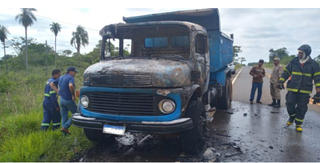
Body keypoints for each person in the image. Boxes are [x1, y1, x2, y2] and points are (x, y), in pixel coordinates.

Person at [278, 44, 320, 132]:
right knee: (289, 103)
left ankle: (298, 124)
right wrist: (281, 81)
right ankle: (292, 117)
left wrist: (318, 89)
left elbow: (317, 77)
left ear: (307, 53)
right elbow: (286, 72)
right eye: (299, 53)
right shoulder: (294, 61)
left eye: (301, 53)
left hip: (305, 90)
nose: (299, 54)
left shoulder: (314, 64)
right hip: (292, 88)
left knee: (302, 107)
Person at [51, 67, 78, 135]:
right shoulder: (70, 77)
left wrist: (58, 91)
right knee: (77, 114)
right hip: (68, 100)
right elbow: (71, 86)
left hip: (61, 100)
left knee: (64, 117)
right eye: (74, 72)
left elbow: (51, 84)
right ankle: (65, 127)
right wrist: (73, 96)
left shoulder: (61, 77)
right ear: (70, 71)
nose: (75, 73)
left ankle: (64, 135)